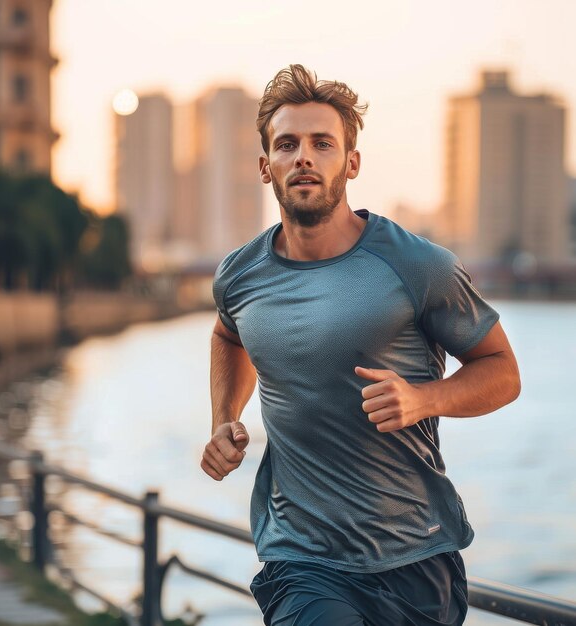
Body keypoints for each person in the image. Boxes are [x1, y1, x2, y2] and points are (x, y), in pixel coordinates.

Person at [200, 64, 521, 626]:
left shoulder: (418, 266)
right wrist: (224, 416)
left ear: (351, 162)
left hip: (417, 555)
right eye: (287, 144)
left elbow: (503, 371)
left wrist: (426, 399)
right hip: (303, 560)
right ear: (264, 166)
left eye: (322, 143)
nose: (304, 157)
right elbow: (230, 333)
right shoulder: (239, 275)